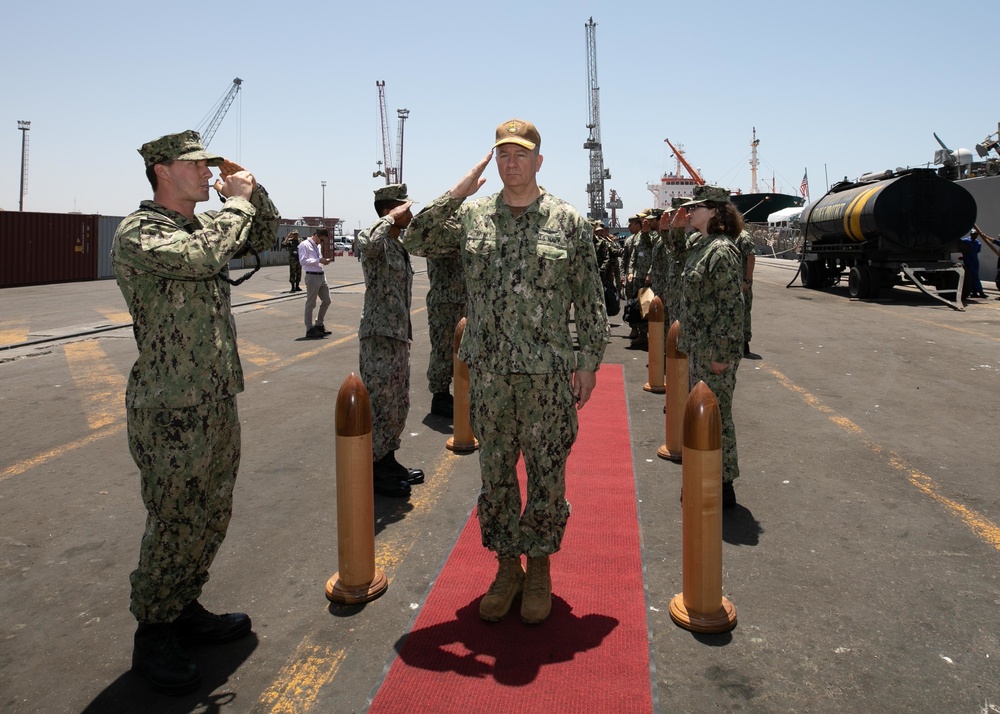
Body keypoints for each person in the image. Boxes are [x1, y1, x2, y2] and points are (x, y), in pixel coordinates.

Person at [404, 119, 607, 625]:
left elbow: (589, 296)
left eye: (520, 154)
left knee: (546, 472)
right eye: (501, 155)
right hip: (490, 375)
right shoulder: (471, 216)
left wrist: (588, 361)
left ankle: (538, 565)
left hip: (548, 374)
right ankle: (505, 566)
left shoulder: (568, 220)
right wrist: (457, 191)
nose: (510, 162)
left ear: (539, 160)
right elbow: (415, 237)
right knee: (494, 474)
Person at [111, 129, 279, 695]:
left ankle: (183, 604)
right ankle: (153, 631)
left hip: (212, 396)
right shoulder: (141, 231)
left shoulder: (202, 221)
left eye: (212, 167)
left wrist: (248, 183)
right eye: (197, 166)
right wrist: (233, 201)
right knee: (175, 517)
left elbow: (266, 228)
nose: (208, 175)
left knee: (211, 512)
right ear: (162, 170)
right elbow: (203, 257)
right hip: (169, 404)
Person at [673, 185, 745, 508]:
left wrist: (723, 355)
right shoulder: (701, 245)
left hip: (713, 353)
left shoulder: (722, 251)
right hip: (699, 350)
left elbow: (732, 308)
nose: (689, 212)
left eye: (695, 207)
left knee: (717, 418)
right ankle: (703, 477)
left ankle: (722, 485)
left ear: (714, 211)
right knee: (702, 417)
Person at [358, 183, 425, 498]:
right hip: (379, 336)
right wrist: (388, 217)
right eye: (405, 207)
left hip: (397, 336)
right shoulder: (379, 244)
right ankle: (374, 469)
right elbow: (366, 241)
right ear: (390, 211)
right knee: (381, 404)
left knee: (398, 404)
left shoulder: (397, 246)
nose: (410, 212)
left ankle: (388, 459)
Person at [425, 252, 467, 417]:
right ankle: (439, 396)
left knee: (458, 349)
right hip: (444, 301)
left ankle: (449, 394)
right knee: (442, 349)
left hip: (460, 299)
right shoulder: (440, 232)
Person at [298, 228, 333, 339]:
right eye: (321, 240)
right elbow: (302, 261)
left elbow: (318, 259)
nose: (322, 242)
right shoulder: (304, 245)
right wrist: (319, 261)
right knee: (311, 303)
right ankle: (309, 328)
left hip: (321, 275)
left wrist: (323, 261)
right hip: (312, 276)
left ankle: (319, 324)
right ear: (316, 235)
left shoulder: (318, 245)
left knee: (327, 300)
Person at [734, 229, 758, 356]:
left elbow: (751, 258)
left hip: (742, 282)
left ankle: (744, 343)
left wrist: (747, 280)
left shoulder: (743, 237)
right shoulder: (731, 235)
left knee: (744, 311)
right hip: (733, 283)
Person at [960, 231, 986, 299]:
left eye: (976, 234)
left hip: (974, 261)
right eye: (973, 234)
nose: (975, 236)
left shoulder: (977, 243)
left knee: (975, 275)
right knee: (973, 276)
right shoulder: (965, 241)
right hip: (968, 261)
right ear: (971, 234)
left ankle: (975, 292)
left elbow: (977, 250)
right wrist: (963, 255)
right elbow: (961, 248)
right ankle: (979, 291)